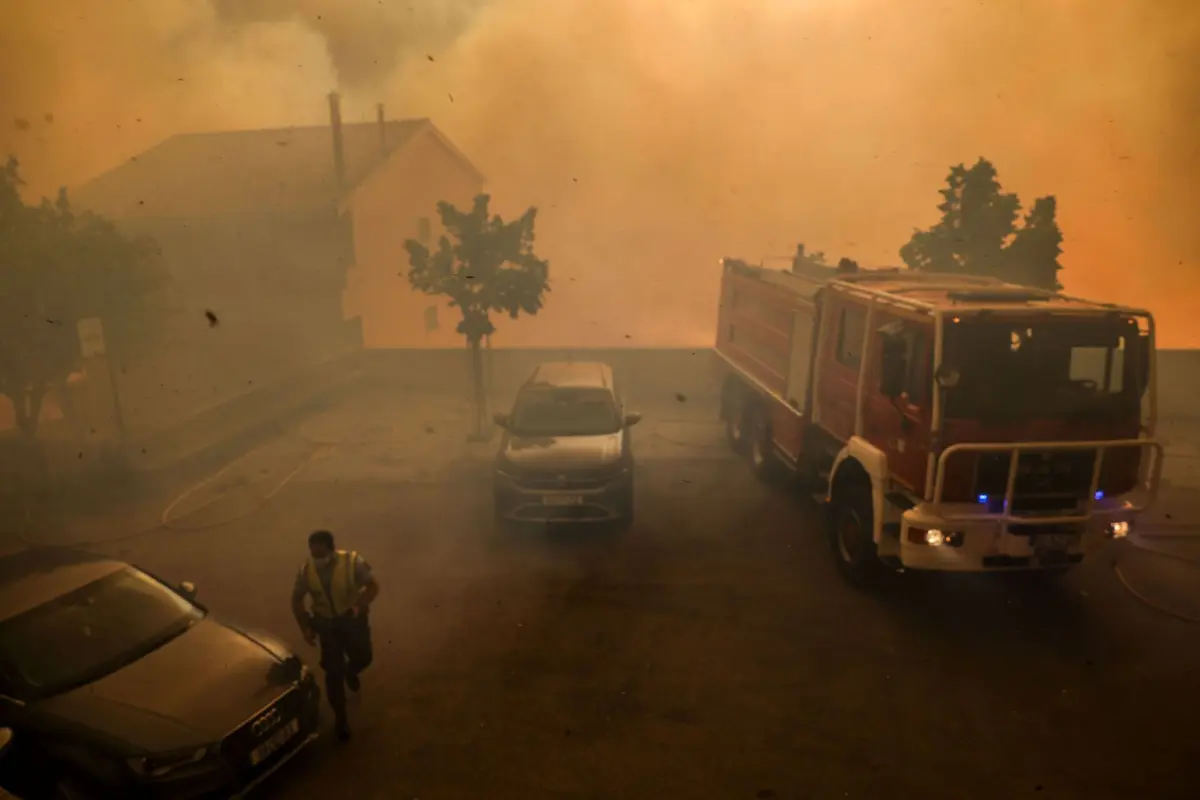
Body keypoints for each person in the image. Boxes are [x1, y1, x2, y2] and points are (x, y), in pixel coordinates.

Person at [291, 530, 379, 741]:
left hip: (352, 620)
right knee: (333, 673)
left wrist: (359, 606)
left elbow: (373, 587)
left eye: (321, 555)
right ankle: (341, 720)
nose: (317, 559)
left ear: (331, 550)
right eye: (314, 554)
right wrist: (305, 627)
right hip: (327, 626)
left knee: (364, 657)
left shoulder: (352, 562)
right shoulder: (306, 570)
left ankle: (352, 671)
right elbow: (296, 599)